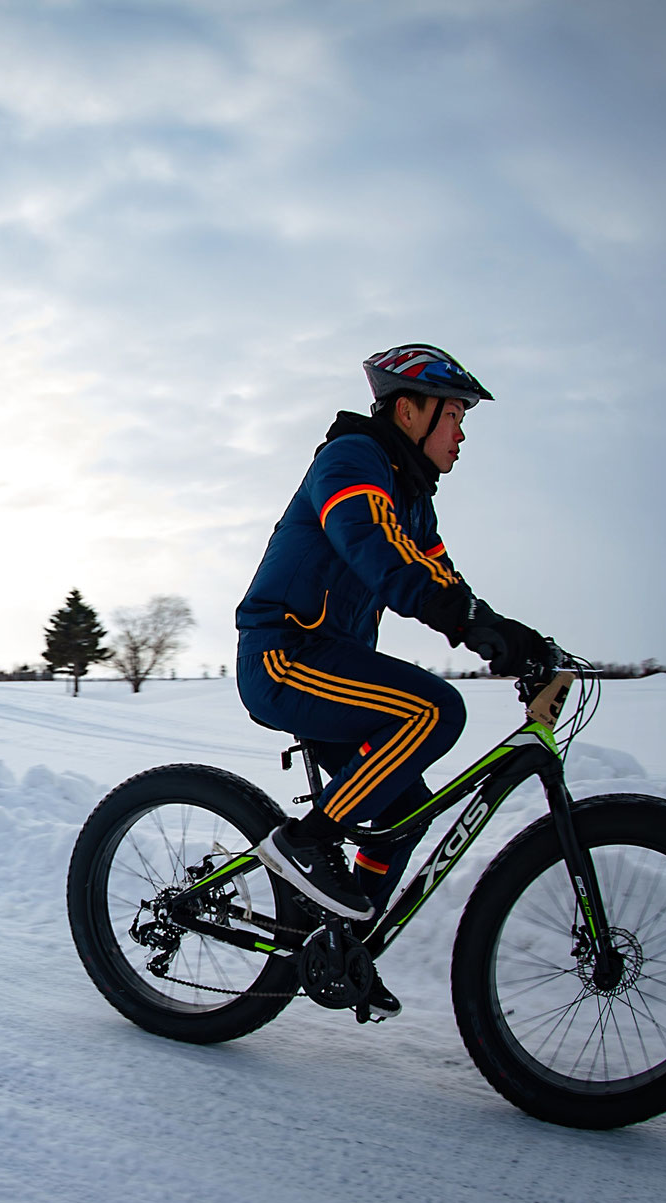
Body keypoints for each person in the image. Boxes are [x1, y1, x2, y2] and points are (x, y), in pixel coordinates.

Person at [234, 344, 549, 1018]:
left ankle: (345, 946)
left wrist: (513, 640)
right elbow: (378, 550)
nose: (462, 434)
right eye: (455, 416)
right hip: (285, 657)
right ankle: (304, 844)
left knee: (402, 815)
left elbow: (441, 580)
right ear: (409, 410)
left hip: (327, 668)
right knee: (436, 710)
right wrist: (473, 626)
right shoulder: (351, 462)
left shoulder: (413, 498)